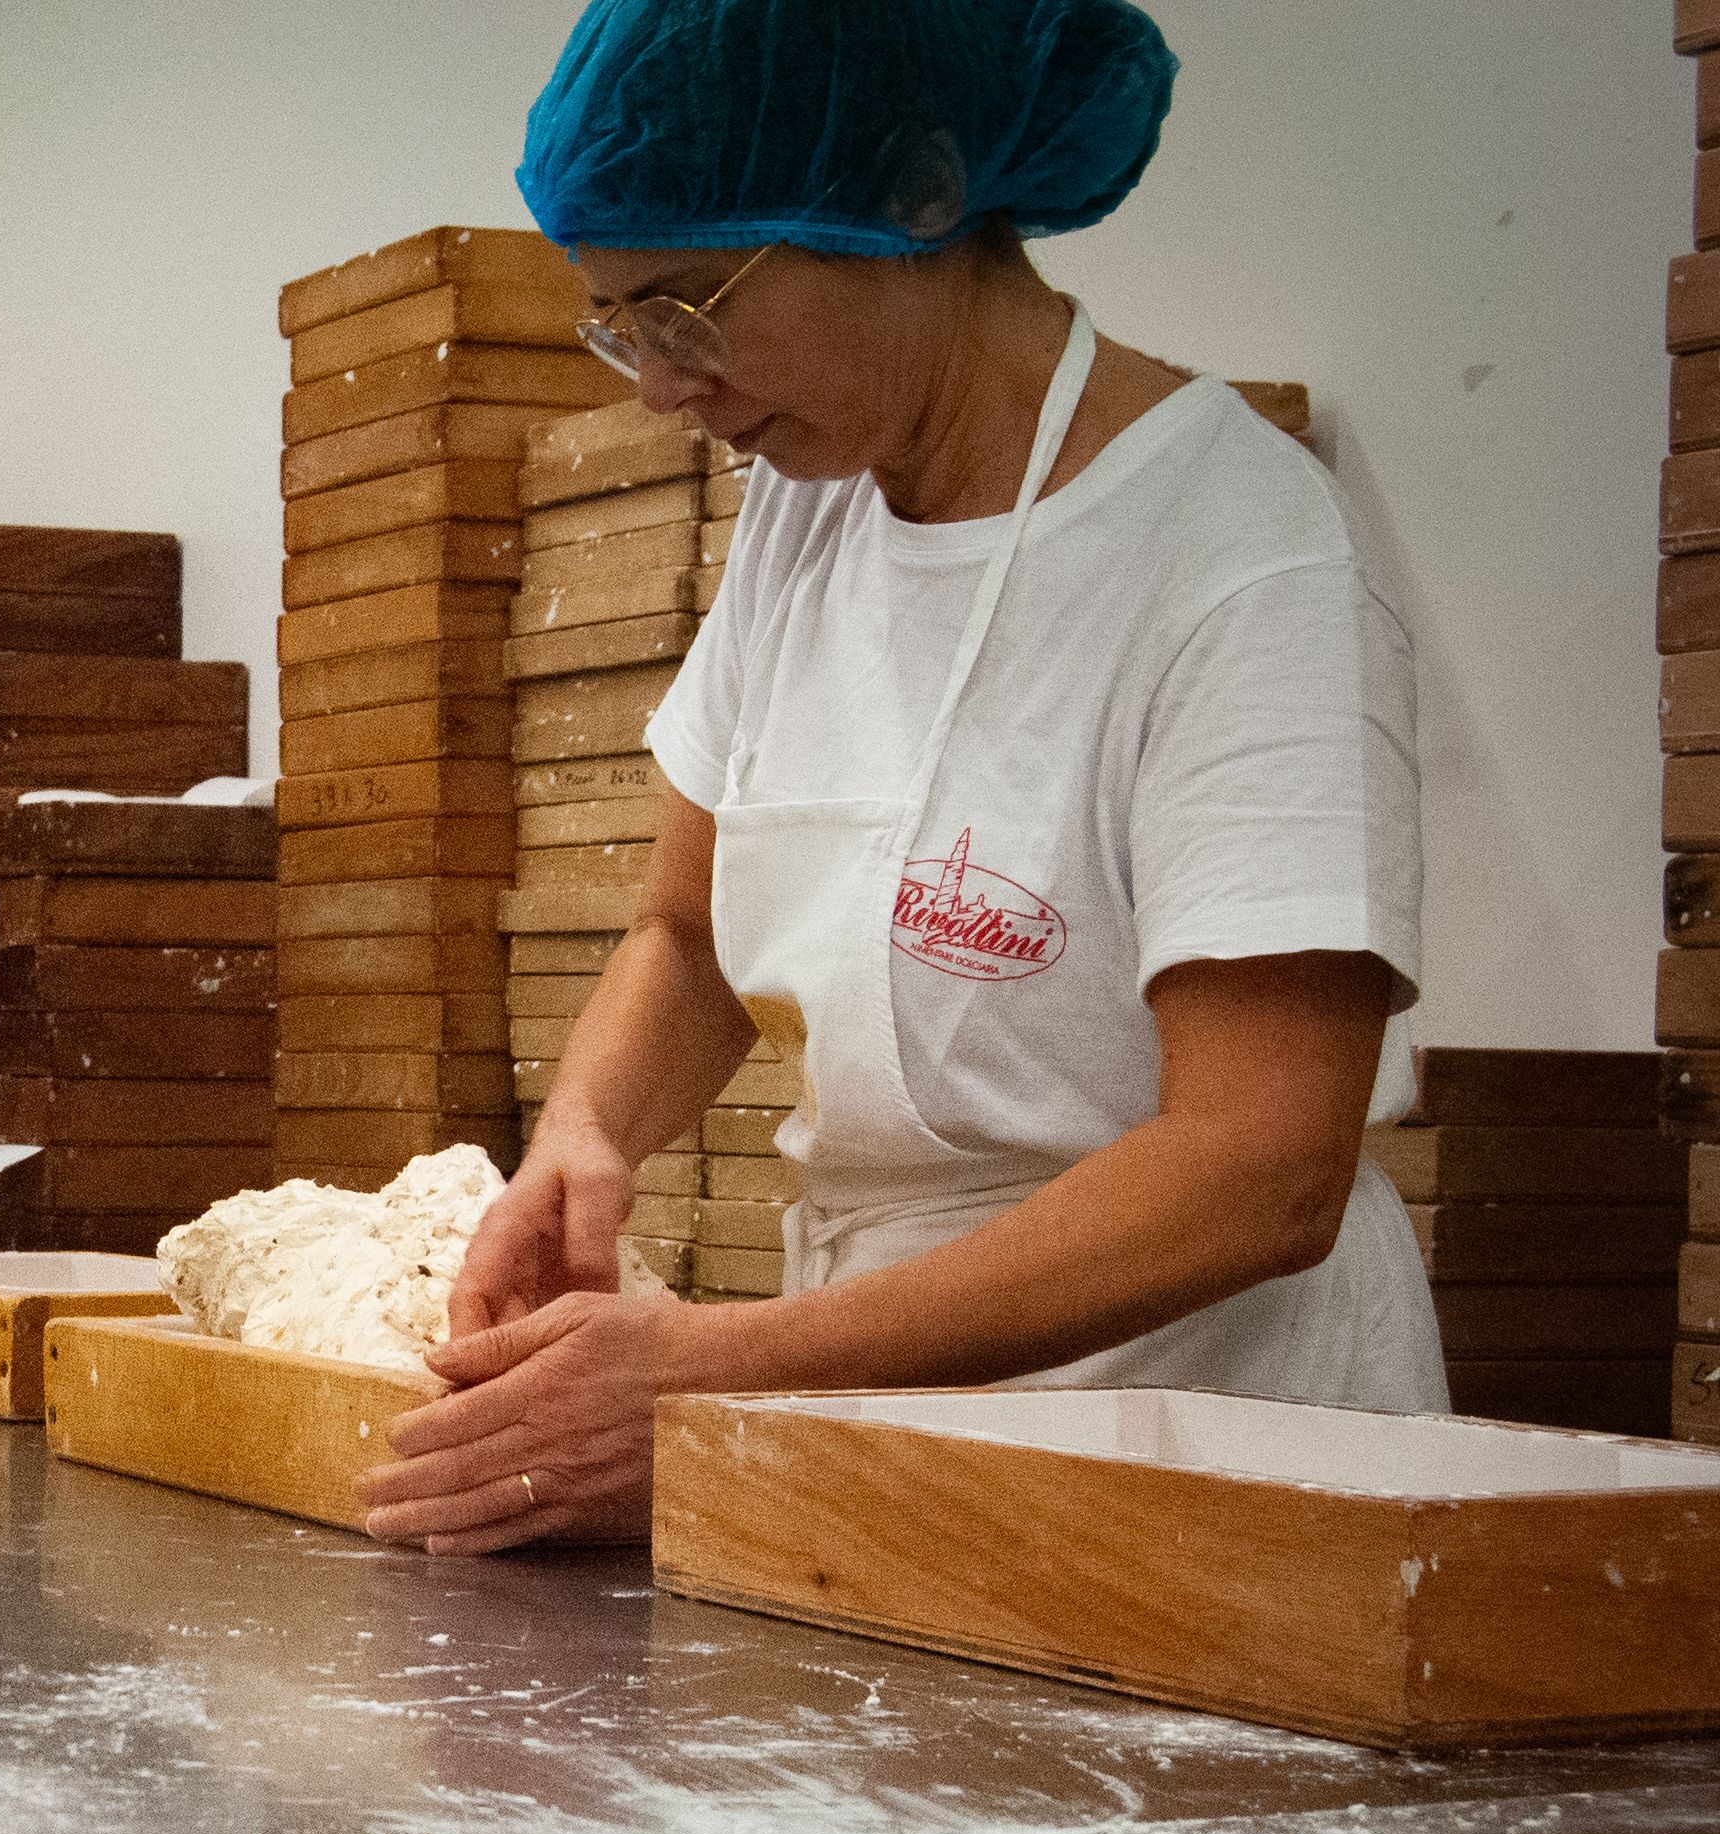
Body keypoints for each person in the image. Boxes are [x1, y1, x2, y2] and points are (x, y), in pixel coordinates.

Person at [367, 0, 1445, 1557]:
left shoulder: (1239, 553)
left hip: (1214, 1460)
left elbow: (1258, 1165)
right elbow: (690, 936)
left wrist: (715, 1377)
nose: (661, 387)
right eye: (624, 327)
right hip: (893, 1428)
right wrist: (585, 1138)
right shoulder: (814, 511)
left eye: (686, 311)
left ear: (913, 197)